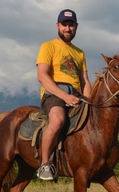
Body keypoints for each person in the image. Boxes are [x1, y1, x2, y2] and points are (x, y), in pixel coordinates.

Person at [36, 9, 92, 180]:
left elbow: (85, 81)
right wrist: (64, 96)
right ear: (58, 26)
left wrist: (88, 101)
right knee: (58, 120)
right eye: (64, 25)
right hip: (54, 94)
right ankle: (45, 164)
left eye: (71, 25)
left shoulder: (80, 52)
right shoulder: (48, 46)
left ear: (76, 27)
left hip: (77, 96)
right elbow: (42, 75)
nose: (68, 28)